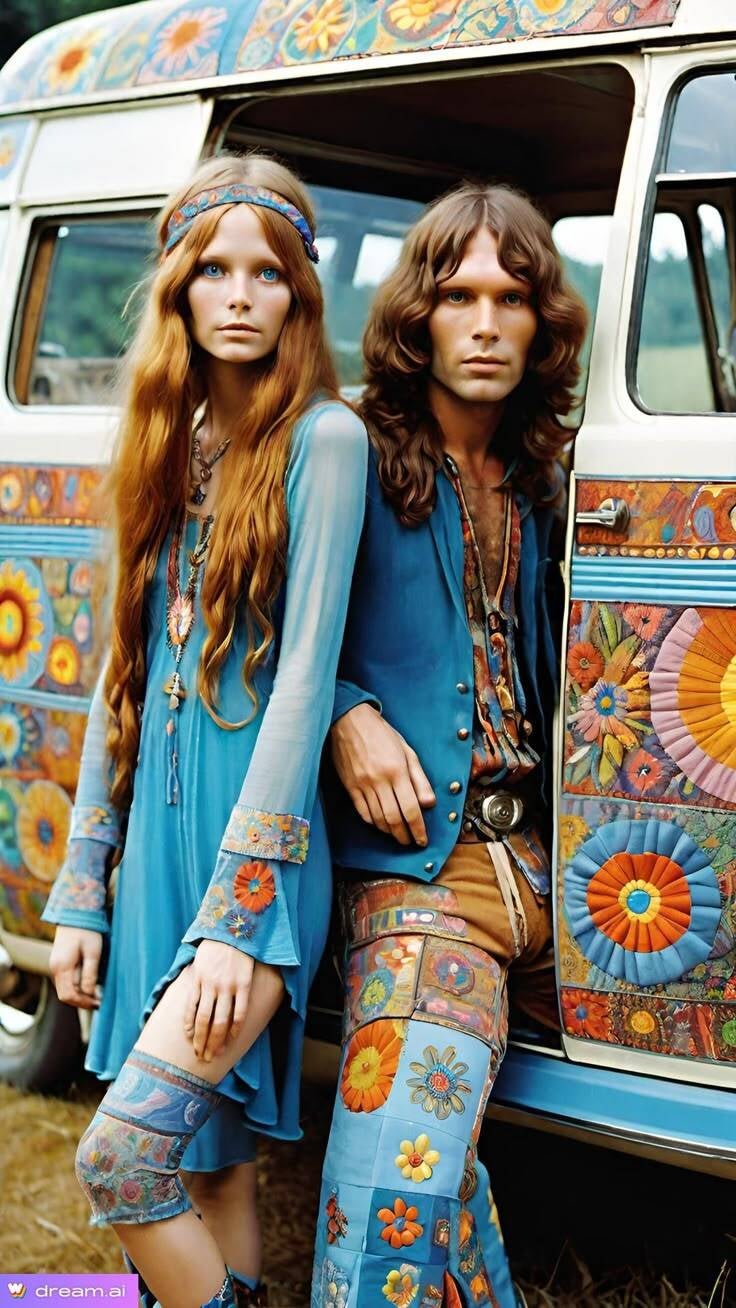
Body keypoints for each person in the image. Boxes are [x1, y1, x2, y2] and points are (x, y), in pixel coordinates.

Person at [42, 151, 367, 1308]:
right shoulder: (163, 443)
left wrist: (240, 919)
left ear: (300, 292)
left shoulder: (325, 441)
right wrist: (83, 889)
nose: (240, 296)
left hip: (256, 868)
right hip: (151, 861)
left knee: (120, 1158)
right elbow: (120, 677)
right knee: (207, 1165)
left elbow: (305, 679)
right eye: (214, 271)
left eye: (267, 273)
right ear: (178, 288)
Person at [311, 183, 587, 1308]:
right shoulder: (349, 452)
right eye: (458, 296)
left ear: (541, 322)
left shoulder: (548, 478)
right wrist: (344, 711)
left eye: (510, 299)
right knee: (399, 1185)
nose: (483, 324)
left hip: (554, 869)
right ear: (416, 316)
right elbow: (244, 632)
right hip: (424, 871)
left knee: (445, 1170)